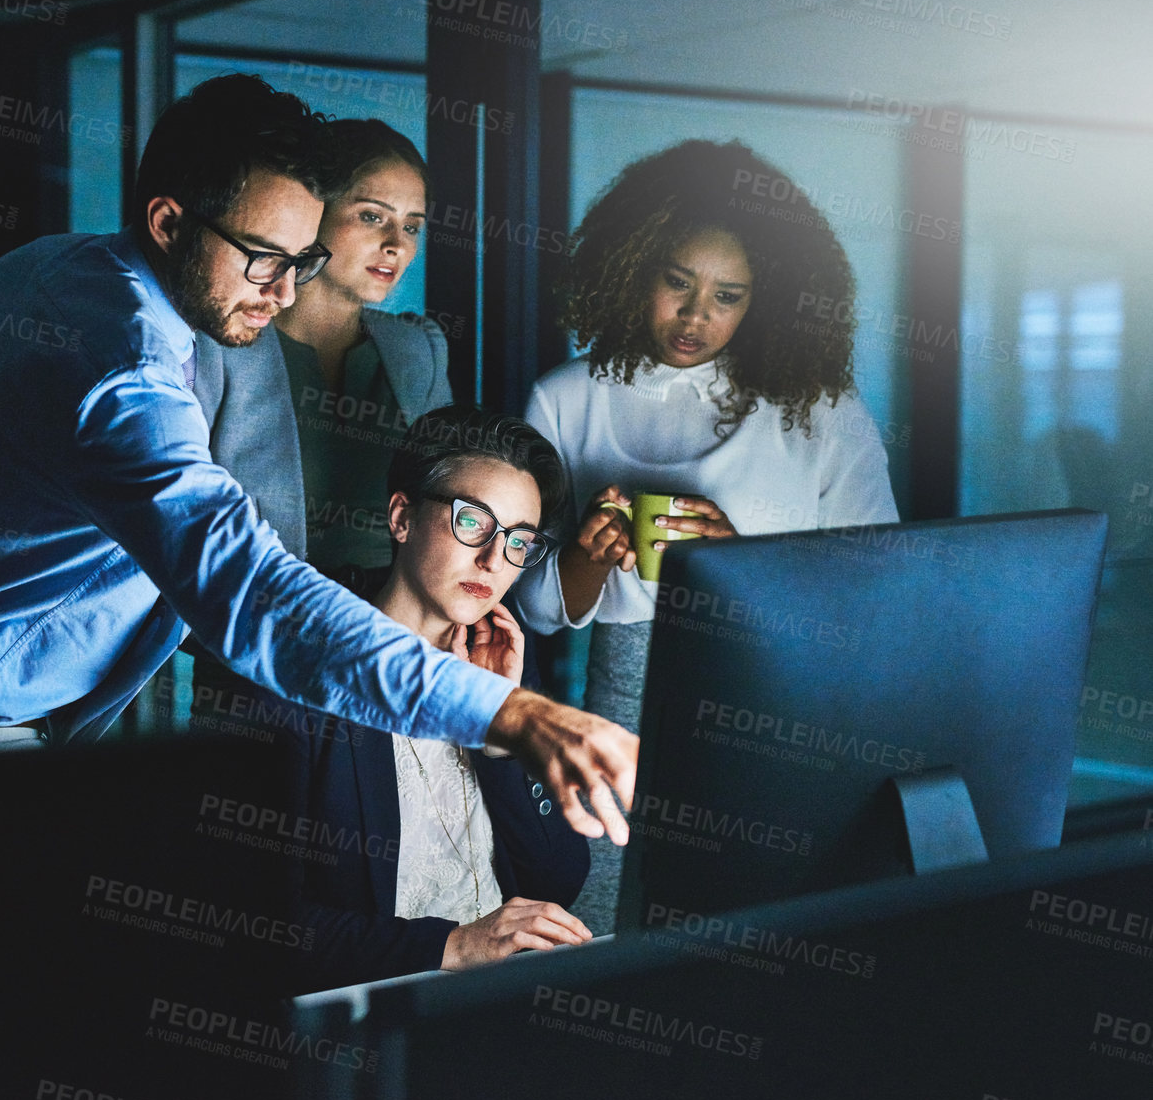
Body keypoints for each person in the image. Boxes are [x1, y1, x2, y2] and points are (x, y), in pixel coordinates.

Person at [0, 74, 638, 841]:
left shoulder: (51, 265)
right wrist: (513, 712)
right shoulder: (129, 375)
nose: (285, 293)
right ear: (167, 222)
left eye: (303, 261)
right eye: (263, 258)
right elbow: (248, 588)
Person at [511, 138, 900, 929]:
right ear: (631, 267)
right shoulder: (565, 399)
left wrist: (739, 568)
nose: (696, 316)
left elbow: (877, 589)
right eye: (677, 283)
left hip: (775, 690)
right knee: (600, 920)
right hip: (623, 690)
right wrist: (586, 556)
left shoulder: (820, 410)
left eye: (729, 295)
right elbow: (537, 607)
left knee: (762, 922)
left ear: (770, 297)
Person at [268, 406, 593, 989]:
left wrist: (500, 730)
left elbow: (560, 879)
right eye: (473, 522)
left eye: (520, 541)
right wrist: (451, 946)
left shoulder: (503, 655)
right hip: (371, 1022)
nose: (495, 560)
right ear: (402, 517)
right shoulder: (304, 665)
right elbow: (259, 921)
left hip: (495, 1003)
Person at [194, 118, 444, 594]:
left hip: (390, 634)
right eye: (373, 216)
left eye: (412, 226)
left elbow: (449, 508)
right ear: (314, 213)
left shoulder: (419, 350)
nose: (396, 243)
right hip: (250, 629)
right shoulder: (223, 343)